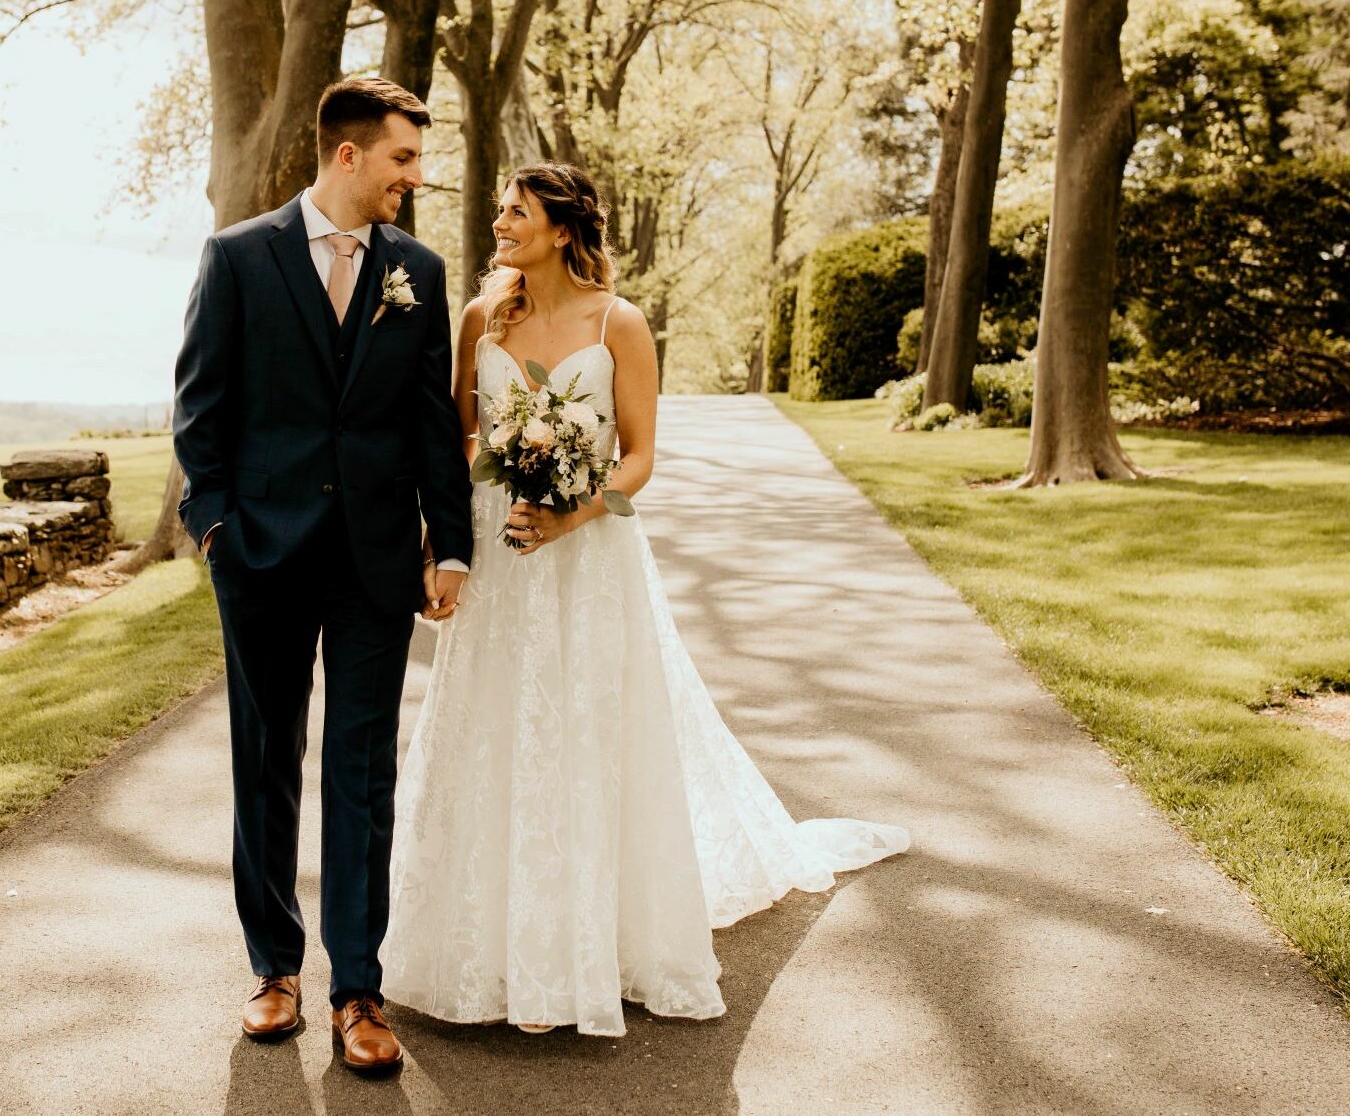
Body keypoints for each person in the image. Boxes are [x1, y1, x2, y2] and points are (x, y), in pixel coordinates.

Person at [382, 161, 909, 1038]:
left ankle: (581, 948)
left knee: (586, 730)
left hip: (587, 553)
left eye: (517, 213)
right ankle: (485, 946)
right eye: (501, 211)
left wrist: (568, 511)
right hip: (497, 550)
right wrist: (448, 545)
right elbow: (455, 436)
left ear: (560, 229)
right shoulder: (482, 316)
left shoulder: (619, 324)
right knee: (492, 725)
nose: (501, 224)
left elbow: (638, 460)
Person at [171, 75, 475, 1077]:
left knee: (361, 775)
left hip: (376, 564)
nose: (413, 178)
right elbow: (200, 411)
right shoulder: (237, 259)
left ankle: (357, 989)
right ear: (347, 156)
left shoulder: (418, 273)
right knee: (264, 765)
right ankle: (273, 969)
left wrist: (453, 541)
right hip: (259, 556)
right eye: (402, 159)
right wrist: (213, 527)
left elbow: (432, 419)